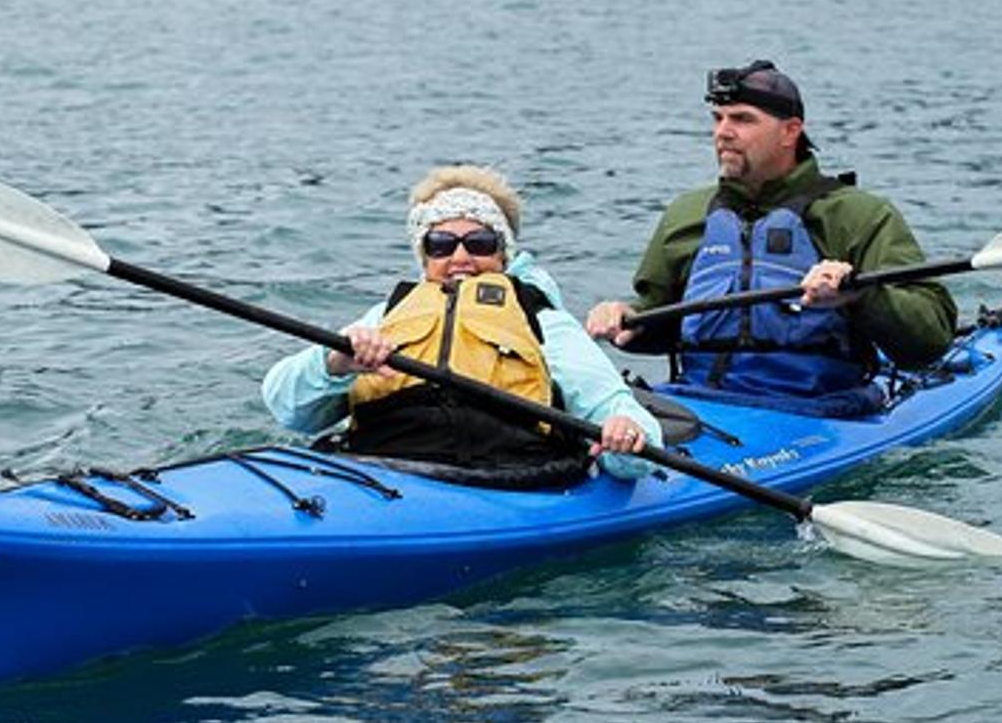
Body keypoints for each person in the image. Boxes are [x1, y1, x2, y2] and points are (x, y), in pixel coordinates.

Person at [584, 61, 955, 413]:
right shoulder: (686, 214)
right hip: (696, 403)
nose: (722, 132)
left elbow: (931, 339)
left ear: (790, 131)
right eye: (718, 118)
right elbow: (662, 321)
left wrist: (861, 295)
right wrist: (629, 319)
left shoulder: (857, 215)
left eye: (742, 119)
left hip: (822, 409)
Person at [263, 165, 663, 481]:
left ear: (503, 254)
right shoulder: (387, 315)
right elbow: (288, 410)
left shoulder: (541, 320)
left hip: (505, 474)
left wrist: (625, 433)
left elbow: (626, 427)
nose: (460, 258)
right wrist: (333, 363)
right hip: (380, 464)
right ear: (424, 257)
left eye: (479, 243)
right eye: (440, 245)